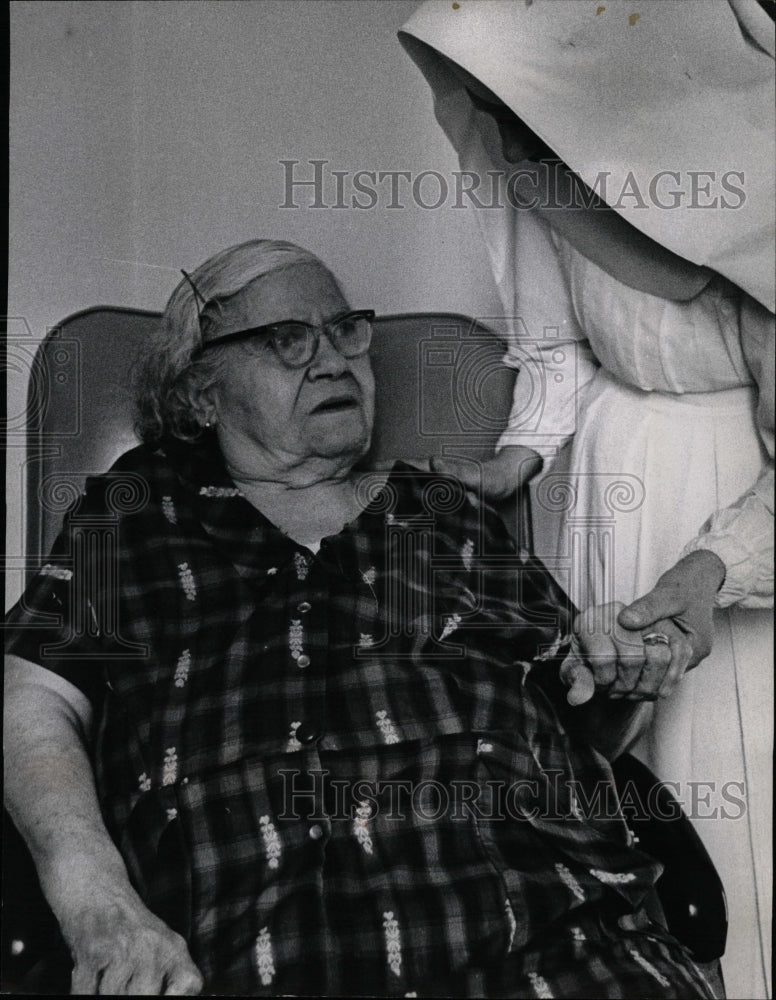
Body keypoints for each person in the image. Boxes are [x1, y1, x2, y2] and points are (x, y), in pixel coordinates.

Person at [5, 238, 717, 997]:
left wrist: (615, 673)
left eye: (346, 331)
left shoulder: (441, 512)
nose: (335, 361)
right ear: (201, 392)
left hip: (553, 948)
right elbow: (31, 697)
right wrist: (93, 900)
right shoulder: (137, 507)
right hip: (239, 958)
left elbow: (585, 722)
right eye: (287, 341)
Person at [398, 3, 774, 997]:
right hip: (609, 480)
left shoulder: (755, 177)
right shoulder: (541, 153)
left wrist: (711, 569)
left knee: (736, 793)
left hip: (743, 484)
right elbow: (555, 346)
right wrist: (517, 457)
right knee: (609, 765)